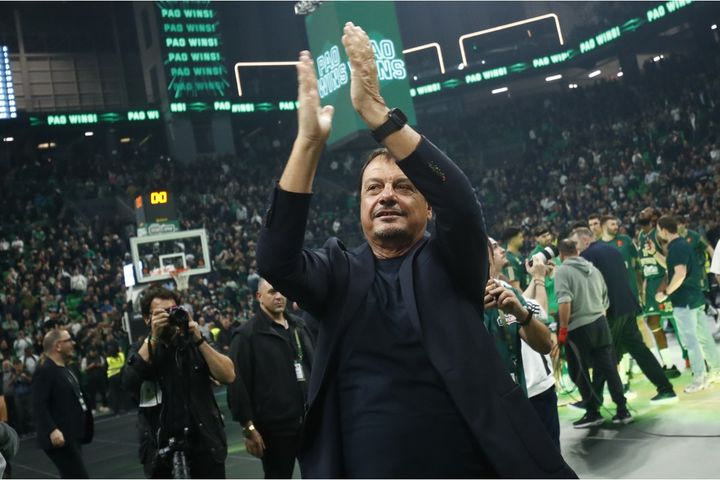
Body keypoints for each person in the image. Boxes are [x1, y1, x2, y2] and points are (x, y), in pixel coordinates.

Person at [256, 23, 575, 478]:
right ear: (360, 207)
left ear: (428, 207)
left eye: (403, 186)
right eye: (373, 188)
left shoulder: (451, 261)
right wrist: (308, 144)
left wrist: (377, 114)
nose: (386, 195)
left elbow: (461, 204)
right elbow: (275, 260)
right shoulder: (337, 271)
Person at [122, 286, 235, 478]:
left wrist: (198, 338)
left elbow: (228, 375)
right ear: (147, 318)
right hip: (161, 450)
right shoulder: (140, 350)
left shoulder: (193, 344)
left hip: (205, 445)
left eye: (173, 311)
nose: (169, 317)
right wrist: (154, 338)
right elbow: (129, 383)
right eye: (162, 313)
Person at [571, 227, 678, 404]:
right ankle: (666, 388)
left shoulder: (587, 255)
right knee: (639, 350)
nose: (575, 247)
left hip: (611, 311)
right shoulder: (613, 250)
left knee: (603, 354)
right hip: (628, 306)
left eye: (576, 243)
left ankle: (593, 401)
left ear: (585, 240)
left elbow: (591, 288)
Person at [228, 278, 315, 478]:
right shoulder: (246, 335)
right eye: (272, 292)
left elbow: (314, 367)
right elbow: (237, 384)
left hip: (309, 422)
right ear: (259, 296)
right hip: (274, 429)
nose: (279, 296)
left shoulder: (299, 326)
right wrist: (248, 427)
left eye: (282, 291)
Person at [554, 239, 631, 428]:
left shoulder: (562, 271)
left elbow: (564, 302)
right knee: (609, 368)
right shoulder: (593, 269)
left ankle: (592, 411)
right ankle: (622, 410)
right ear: (577, 251)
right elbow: (605, 299)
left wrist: (563, 329)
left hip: (578, 327)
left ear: (561, 254)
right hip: (600, 323)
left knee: (578, 371)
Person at [655, 216, 720, 392]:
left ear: (664, 230)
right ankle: (716, 370)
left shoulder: (676, 247)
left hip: (684, 301)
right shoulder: (684, 244)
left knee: (690, 341)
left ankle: (699, 378)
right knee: (704, 338)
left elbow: (680, 273)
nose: (658, 233)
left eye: (658, 230)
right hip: (695, 297)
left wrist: (666, 293)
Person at [31, 328, 92, 478]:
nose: (73, 343)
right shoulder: (45, 370)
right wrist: (52, 430)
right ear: (58, 346)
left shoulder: (66, 368)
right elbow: (38, 404)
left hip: (72, 434)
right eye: (68, 340)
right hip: (60, 436)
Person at [636, 207, 680, 377]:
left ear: (654, 217)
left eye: (646, 211)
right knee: (653, 322)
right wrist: (643, 287)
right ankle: (668, 364)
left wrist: (665, 285)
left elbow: (670, 263)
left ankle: (696, 358)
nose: (641, 212)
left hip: (664, 281)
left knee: (678, 322)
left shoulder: (659, 235)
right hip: (650, 283)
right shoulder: (641, 235)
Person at [500, 226, 526, 290]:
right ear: (512, 241)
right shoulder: (509, 260)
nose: (523, 239)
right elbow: (514, 285)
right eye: (520, 237)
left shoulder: (519, 256)